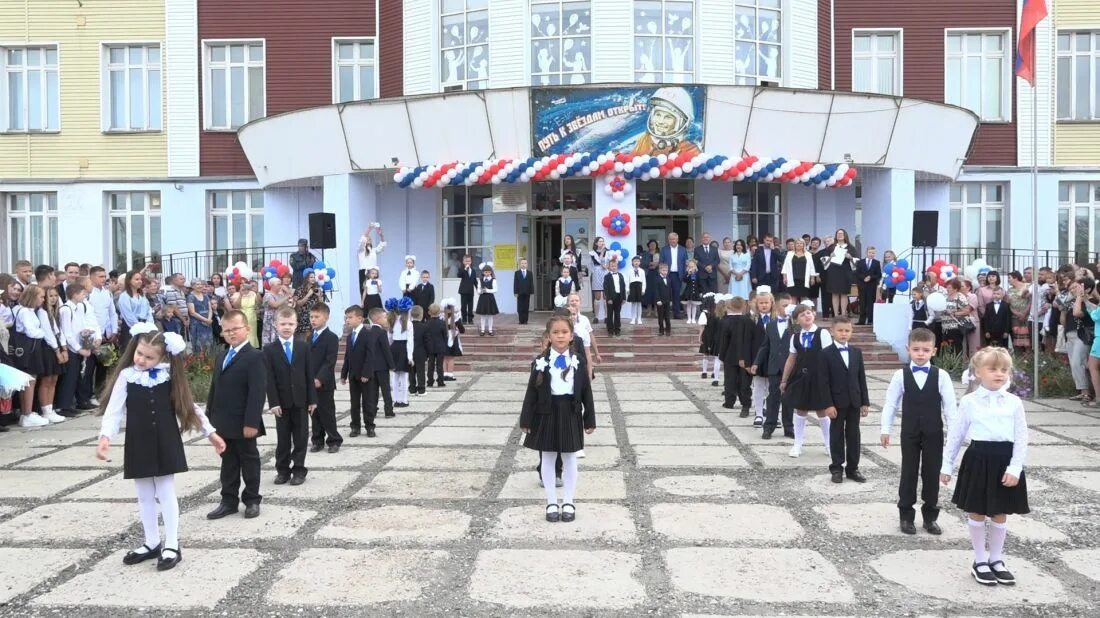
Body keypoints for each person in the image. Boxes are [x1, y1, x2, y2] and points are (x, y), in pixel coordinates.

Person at [95, 325, 224, 571]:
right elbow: (113, 411)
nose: (142, 359)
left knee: (165, 491)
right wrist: (105, 438)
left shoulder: (169, 375)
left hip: (165, 439)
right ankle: (152, 541)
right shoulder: (126, 377)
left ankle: (172, 544)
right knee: (144, 494)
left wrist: (211, 433)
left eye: (149, 357)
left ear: (162, 357)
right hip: (138, 440)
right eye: (139, 354)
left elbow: (190, 408)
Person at [940, 347, 1030, 586]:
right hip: (978, 459)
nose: (999, 374)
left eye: (1004, 369)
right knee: (977, 510)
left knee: (1000, 512)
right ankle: (980, 560)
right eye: (992, 369)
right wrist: (946, 465)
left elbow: (1021, 436)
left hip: (1004, 460)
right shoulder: (969, 402)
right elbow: (956, 435)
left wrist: (1015, 468)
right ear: (978, 372)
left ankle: (996, 559)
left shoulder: (1014, 402)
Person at [880, 327, 958, 535]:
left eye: (925, 350)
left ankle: (930, 516)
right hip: (910, 432)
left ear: (934, 351)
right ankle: (906, 515)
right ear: (909, 350)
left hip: (934, 433)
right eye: (916, 349)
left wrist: (954, 433)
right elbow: (890, 404)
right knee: (909, 472)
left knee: (932, 473)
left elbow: (950, 408)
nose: (921, 354)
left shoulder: (941, 376)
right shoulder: (900, 375)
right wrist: (885, 429)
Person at [519, 315, 597, 523]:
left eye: (564, 332)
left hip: (570, 411)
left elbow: (586, 390)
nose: (560, 336)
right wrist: (526, 419)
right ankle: (551, 501)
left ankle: (569, 501)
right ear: (548, 336)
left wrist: (589, 418)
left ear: (572, 336)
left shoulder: (578, 360)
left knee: (571, 457)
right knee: (548, 456)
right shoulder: (540, 362)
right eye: (556, 332)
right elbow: (531, 392)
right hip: (546, 412)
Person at [206, 310, 268, 521]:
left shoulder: (255, 356)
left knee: (249, 461)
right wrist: (209, 421)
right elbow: (214, 389)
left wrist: (252, 422)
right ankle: (228, 500)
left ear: (247, 329)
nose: (231, 333)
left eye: (236, 329)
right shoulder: (222, 355)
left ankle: (252, 499)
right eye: (227, 330)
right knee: (228, 462)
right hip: (222, 422)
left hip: (244, 422)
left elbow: (257, 393)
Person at [263, 307, 316, 486]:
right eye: (283, 324)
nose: (287, 327)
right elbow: (268, 378)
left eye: (290, 324)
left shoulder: (303, 346)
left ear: (296, 325)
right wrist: (273, 402)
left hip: (301, 400)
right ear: (276, 325)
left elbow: (309, 374)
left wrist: (312, 399)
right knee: (283, 438)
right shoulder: (269, 349)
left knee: (301, 437)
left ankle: (299, 470)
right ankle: (282, 470)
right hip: (282, 402)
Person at [779, 303, 834, 458]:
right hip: (801, 377)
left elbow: (829, 356)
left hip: (819, 377)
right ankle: (797, 444)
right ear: (796, 320)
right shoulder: (795, 337)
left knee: (822, 410)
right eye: (802, 315)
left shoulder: (822, 333)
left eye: (808, 313)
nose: (806, 316)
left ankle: (829, 444)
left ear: (814, 315)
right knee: (800, 409)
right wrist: (784, 380)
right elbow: (791, 359)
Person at [822, 317, 870, 483]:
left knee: (854, 435)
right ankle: (836, 468)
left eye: (847, 331)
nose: (844, 334)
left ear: (851, 332)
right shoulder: (826, 353)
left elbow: (861, 377)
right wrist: (827, 404)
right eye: (840, 330)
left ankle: (853, 468)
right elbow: (823, 381)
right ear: (832, 331)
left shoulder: (856, 352)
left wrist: (865, 401)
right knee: (836, 435)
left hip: (854, 401)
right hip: (835, 402)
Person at [9, 285, 53, 426]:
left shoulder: (30, 311)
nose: (43, 299)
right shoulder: (25, 312)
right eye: (40, 296)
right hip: (28, 349)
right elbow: (31, 331)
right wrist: (42, 332)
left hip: (32, 348)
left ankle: (26, 412)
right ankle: (26, 413)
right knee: (29, 381)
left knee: (30, 380)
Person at [754, 294, 794, 440]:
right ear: (776, 307)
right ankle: (769, 426)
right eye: (784, 305)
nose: (787, 308)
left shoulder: (795, 325)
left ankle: (789, 427)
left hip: (790, 368)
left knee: (788, 398)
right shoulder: (770, 325)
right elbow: (765, 346)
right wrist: (756, 362)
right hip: (774, 367)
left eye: (789, 305)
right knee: (773, 397)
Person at [57, 281, 97, 417]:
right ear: (74, 295)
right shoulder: (66, 309)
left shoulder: (79, 307)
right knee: (69, 377)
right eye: (82, 294)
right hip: (71, 348)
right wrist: (79, 348)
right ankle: (63, 405)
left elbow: (80, 325)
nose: (84, 297)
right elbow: (67, 332)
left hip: (79, 346)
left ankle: (69, 404)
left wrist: (86, 336)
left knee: (75, 377)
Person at [307, 303, 342, 452]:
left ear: (326, 318)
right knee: (314, 413)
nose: (313, 320)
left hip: (324, 383)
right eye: (311, 317)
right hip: (310, 382)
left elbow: (330, 361)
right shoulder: (309, 337)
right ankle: (317, 439)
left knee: (327, 412)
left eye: (317, 317)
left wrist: (319, 379)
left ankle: (334, 440)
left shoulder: (331, 337)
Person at [37, 285, 69, 424]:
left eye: (56, 295)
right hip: (48, 348)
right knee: (47, 380)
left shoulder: (56, 312)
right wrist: (57, 351)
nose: (54, 298)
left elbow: (59, 330)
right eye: (50, 296)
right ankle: (45, 410)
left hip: (57, 345)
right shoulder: (42, 312)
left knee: (54, 379)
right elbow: (48, 333)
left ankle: (50, 408)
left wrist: (64, 348)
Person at [340, 305, 372, 437]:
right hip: (353, 374)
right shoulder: (349, 336)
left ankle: (370, 426)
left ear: (360, 318)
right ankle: (355, 426)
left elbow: (370, 356)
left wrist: (366, 373)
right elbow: (347, 356)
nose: (347, 320)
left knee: (367, 402)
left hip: (365, 375)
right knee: (354, 402)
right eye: (346, 318)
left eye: (350, 317)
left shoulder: (367, 334)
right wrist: (343, 373)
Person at [718, 296, 753, 414]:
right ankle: (745, 402)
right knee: (744, 381)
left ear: (730, 306)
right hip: (746, 355)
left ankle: (729, 402)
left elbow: (723, 341)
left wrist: (721, 355)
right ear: (744, 306)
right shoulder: (749, 320)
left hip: (730, 355)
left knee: (730, 380)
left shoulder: (725, 321)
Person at [747, 289, 775, 426]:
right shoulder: (752, 320)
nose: (764, 305)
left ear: (771, 303)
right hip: (757, 358)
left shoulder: (776, 320)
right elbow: (747, 341)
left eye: (766, 302)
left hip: (773, 358)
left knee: (773, 388)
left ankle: (772, 414)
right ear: (757, 304)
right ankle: (758, 414)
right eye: (761, 303)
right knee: (758, 386)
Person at [365, 307, 396, 419]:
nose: (386, 319)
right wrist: (392, 365)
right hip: (382, 367)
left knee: (373, 391)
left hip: (371, 367)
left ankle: (373, 410)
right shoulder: (382, 333)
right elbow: (386, 350)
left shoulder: (367, 333)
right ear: (377, 319)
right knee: (385, 389)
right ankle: (388, 410)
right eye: (384, 317)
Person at [825, 228, 858, 318]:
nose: (839, 235)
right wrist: (830, 257)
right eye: (838, 233)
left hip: (845, 271)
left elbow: (856, 260)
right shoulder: (831, 247)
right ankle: (836, 314)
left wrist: (850, 257)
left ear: (845, 235)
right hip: (833, 272)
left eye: (841, 233)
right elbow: (824, 261)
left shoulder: (850, 247)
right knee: (834, 293)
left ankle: (843, 314)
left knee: (844, 293)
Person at [388, 300, 415, 409]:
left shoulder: (392, 321)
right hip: (404, 348)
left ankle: (396, 400)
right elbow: (410, 341)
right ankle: (404, 400)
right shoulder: (408, 323)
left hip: (394, 348)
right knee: (404, 376)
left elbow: (389, 338)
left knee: (395, 376)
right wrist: (410, 357)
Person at [118, 271, 153, 351]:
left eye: (140, 279)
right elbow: (128, 315)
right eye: (136, 279)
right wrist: (139, 327)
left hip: (145, 326)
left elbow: (148, 310)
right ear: (129, 281)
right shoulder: (124, 296)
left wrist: (149, 325)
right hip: (131, 327)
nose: (140, 281)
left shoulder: (142, 295)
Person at [660, 232, 688, 319]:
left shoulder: (683, 249)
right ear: (668, 240)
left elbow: (685, 263)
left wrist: (684, 274)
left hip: (677, 275)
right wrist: (661, 274)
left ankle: (677, 313)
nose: (673, 241)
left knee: (676, 294)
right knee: (665, 294)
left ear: (677, 239)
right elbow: (661, 262)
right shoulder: (664, 249)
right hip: (666, 274)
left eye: (674, 239)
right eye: (671, 239)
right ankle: (665, 313)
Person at [780, 238, 815, 303]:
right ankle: (793, 313)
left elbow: (812, 267)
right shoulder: (789, 254)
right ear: (795, 245)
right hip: (792, 279)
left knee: (804, 298)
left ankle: (802, 312)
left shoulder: (808, 254)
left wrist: (812, 278)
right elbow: (785, 266)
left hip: (804, 279)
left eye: (801, 243)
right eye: (797, 243)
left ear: (803, 245)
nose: (799, 245)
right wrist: (784, 277)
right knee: (793, 297)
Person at [855, 246, 882, 325]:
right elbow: (857, 273)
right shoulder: (860, 262)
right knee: (862, 302)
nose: (871, 254)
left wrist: (871, 277)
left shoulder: (876, 263)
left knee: (870, 303)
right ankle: (861, 320)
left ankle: (870, 320)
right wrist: (864, 278)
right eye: (870, 252)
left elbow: (878, 274)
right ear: (866, 253)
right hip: (862, 285)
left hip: (871, 286)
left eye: (873, 253)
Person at [357, 224, 386, 296]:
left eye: (370, 239)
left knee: (373, 291)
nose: (369, 239)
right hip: (364, 273)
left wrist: (381, 235)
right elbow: (362, 240)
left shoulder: (373, 250)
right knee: (365, 291)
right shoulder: (361, 250)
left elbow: (381, 246)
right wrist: (369, 229)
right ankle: (365, 305)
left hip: (373, 273)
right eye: (367, 238)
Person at [261, 278, 291, 346]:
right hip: (270, 322)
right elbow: (275, 305)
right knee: (269, 341)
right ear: (272, 285)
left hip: (279, 320)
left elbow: (285, 306)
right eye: (278, 284)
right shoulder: (268, 295)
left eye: (280, 284)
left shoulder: (280, 295)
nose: (280, 286)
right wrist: (286, 297)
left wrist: (287, 293)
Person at [231, 281, 261, 348]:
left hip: (251, 317)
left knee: (251, 334)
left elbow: (259, 303)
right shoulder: (237, 295)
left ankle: (252, 348)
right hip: (241, 317)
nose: (246, 290)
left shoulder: (253, 294)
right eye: (244, 288)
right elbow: (236, 306)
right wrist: (241, 295)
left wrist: (256, 292)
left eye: (248, 288)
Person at [187, 280, 215, 351]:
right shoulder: (191, 297)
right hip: (197, 324)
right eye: (197, 284)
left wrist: (208, 319)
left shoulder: (206, 296)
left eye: (201, 284)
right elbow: (192, 313)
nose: (200, 286)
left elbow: (210, 309)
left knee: (209, 344)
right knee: (199, 345)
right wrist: (206, 320)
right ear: (192, 286)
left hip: (207, 324)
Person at [425, 304, 448, 388]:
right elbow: (445, 336)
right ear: (439, 312)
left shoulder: (426, 323)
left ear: (429, 312)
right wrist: (445, 345)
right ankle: (440, 381)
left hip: (430, 347)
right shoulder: (442, 323)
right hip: (440, 346)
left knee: (430, 365)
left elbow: (425, 336)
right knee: (439, 365)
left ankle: (430, 381)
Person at [291, 273, 320, 338]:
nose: (313, 279)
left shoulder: (316, 289)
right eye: (311, 277)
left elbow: (321, 304)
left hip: (314, 315)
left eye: (314, 277)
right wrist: (308, 294)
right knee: (304, 337)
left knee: (313, 336)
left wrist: (319, 296)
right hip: (303, 316)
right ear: (307, 279)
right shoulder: (300, 289)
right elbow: (299, 303)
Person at [603, 256, 626, 337]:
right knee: (609, 314)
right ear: (609, 267)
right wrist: (608, 298)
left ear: (617, 266)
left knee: (617, 314)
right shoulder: (607, 276)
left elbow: (623, 287)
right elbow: (606, 288)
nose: (613, 267)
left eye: (615, 266)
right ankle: (610, 330)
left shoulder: (620, 275)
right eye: (612, 266)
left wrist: (624, 298)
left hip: (619, 297)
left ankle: (617, 330)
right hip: (610, 298)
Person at [589, 237, 610, 325]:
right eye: (600, 241)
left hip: (606, 273)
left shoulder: (608, 252)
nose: (602, 243)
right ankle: (596, 317)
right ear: (596, 243)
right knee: (597, 297)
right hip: (597, 273)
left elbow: (609, 262)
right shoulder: (592, 253)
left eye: (603, 241)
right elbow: (594, 263)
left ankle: (606, 316)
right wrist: (601, 252)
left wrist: (607, 266)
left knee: (606, 296)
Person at [475, 263, 499, 337]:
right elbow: (478, 289)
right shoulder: (480, 280)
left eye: (488, 272)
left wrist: (487, 290)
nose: (487, 273)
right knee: (483, 315)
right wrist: (480, 291)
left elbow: (495, 290)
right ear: (483, 272)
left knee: (490, 315)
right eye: (485, 272)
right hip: (482, 299)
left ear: (491, 272)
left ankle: (490, 330)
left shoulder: (493, 280)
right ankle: (482, 330)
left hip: (490, 299)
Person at [409, 306, 429, 395]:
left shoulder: (408, 326)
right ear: (421, 315)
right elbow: (427, 341)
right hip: (421, 352)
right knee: (421, 372)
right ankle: (421, 389)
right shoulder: (424, 327)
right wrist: (427, 354)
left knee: (411, 371)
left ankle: (412, 389)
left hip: (410, 352)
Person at [625, 255, 647, 326]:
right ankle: (633, 318)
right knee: (633, 303)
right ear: (632, 262)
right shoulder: (629, 271)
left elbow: (644, 281)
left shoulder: (642, 271)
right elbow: (627, 280)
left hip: (639, 287)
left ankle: (639, 318)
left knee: (639, 304)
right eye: (635, 261)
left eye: (638, 261)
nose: (636, 263)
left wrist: (643, 289)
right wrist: (627, 289)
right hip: (632, 287)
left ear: (640, 262)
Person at [643, 240, 661, 316]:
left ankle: (656, 311)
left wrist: (657, 265)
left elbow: (662, 262)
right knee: (648, 292)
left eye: (654, 244)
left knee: (656, 292)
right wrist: (650, 263)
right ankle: (649, 310)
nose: (652, 246)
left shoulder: (659, 254)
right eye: (651, 244)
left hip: (657, 274)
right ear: (648, 245)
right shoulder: (645, 254)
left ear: (656, 245)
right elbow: (642, 263)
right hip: (648, 275)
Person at [457, 254, 477, 325]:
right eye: (466, 261)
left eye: (469, 261)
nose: (467, 262)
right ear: (463, 262)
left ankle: (470, 319)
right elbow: (459, 275)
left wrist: (478, 289)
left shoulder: (473, 271)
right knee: (464, 306)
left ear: (471, 262)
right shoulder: (462, 269)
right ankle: (464, 319)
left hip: (471, 291)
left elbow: (474, 281)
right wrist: (465, 269)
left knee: (470, 306)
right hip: (463, 291)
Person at [654, 263, 673, 336]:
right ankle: (661, 330)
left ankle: (668, 330)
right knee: (661, 316)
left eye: (666, 270)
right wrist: (658, 300)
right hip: (660, 301)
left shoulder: (668, 279)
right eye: (663, 270)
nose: (665, 272)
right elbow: (656, 290)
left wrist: (671, 300)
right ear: (659, 270)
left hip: (667, 301)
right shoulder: (657, 279)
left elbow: (670, 290)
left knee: (667, 316)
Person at [514, 259, 534, 325]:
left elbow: (531, 283)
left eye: (525, 263)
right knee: (520, 307)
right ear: (520, 264)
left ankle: (525, 320)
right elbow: (515, 283)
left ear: (527, 265)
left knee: (526, 306)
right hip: (519, 292)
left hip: (527, 292)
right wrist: (515, 292)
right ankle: (520, 320)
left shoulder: (530, 273)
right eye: (522, 263)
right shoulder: (517, 273)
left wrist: (531, 291)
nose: (523, 264)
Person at [682, 259, 702, 324]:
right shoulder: (687, 273)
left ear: (695, 266)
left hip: (695, 291)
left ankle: (693, 318)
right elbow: (684, 280)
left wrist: (701, 291)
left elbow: (700, 283)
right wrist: (688, 273)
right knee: (689, 305)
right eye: (690, 266)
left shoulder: (698, 273)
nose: (691, 268)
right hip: (689, 291)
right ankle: (689, 318)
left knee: (694, 305)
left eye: (693, 266)